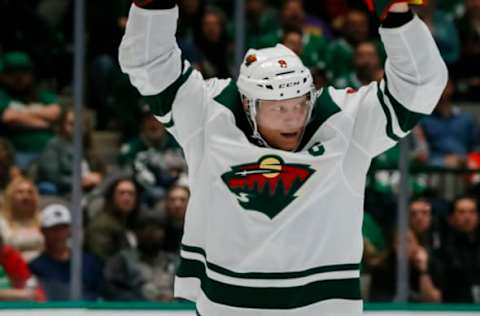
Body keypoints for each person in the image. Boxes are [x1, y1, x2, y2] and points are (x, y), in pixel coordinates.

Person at [119, 0, 447, 314]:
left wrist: (398, 18)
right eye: (278, 108)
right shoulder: (210, 112)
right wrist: (154, 6)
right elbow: (149, 65)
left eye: (299, 104)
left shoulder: (344, 120)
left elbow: (419, 88)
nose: (292, 118)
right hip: (227, 305)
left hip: (321, 308)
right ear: (248, 105)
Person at [0, 51, 61, 169]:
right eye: (13, 74)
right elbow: (8, 117)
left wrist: (21, 112)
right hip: (17, 154)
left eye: (23, 73)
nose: (19, 78)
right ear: (3, 75)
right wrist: (45, 123)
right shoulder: (3, 95)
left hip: (50, 152)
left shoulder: (40, 94)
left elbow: (56, 112)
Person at [28, 204, 103, 301]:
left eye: (63, 228)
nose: (59, 234)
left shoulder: (90, 262)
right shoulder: (35, 267)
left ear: (70, 230)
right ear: (43, 231)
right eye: (53, 229)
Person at [103, 212, 176, 301]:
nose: (151, 234)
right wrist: (145, 298)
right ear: (136, 233)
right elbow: (111, 292)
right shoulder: (121, 261)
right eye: (145, 228)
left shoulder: (174, 262)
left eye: (157, 229)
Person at [37, 107, 105, 195]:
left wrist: (98, 177)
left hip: (89, 191)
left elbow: (100, 171)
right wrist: (80, 182)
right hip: (64, 191)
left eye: (80, 124)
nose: (76, 128)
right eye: (71, 124)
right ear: (63, 125)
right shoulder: (54, 144)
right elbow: (53, 177)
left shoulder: (87, 146)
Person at [85, 177, 140, 261]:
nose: (127, 198)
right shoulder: (102, 226)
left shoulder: (130, 222)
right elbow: (101, 260)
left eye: (131, 194)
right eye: (121, 193)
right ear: (112, 197)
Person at [438, 195, 480, 303]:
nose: (467, 217)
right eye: (461, 212)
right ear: (451, 218)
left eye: (472, 212)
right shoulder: (443, 248)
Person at [0, 177, 44, 262]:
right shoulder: (2, 222)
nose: (26, 196)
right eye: (20, 192)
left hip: (42, 270)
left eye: (30, 192)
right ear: (10, 196)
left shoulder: (43, 219)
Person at [164, 185, 190, 254]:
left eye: (183, 200)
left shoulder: (200, 230)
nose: (177, 204)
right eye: (172, 200)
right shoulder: (160, 229)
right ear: (166, 203)